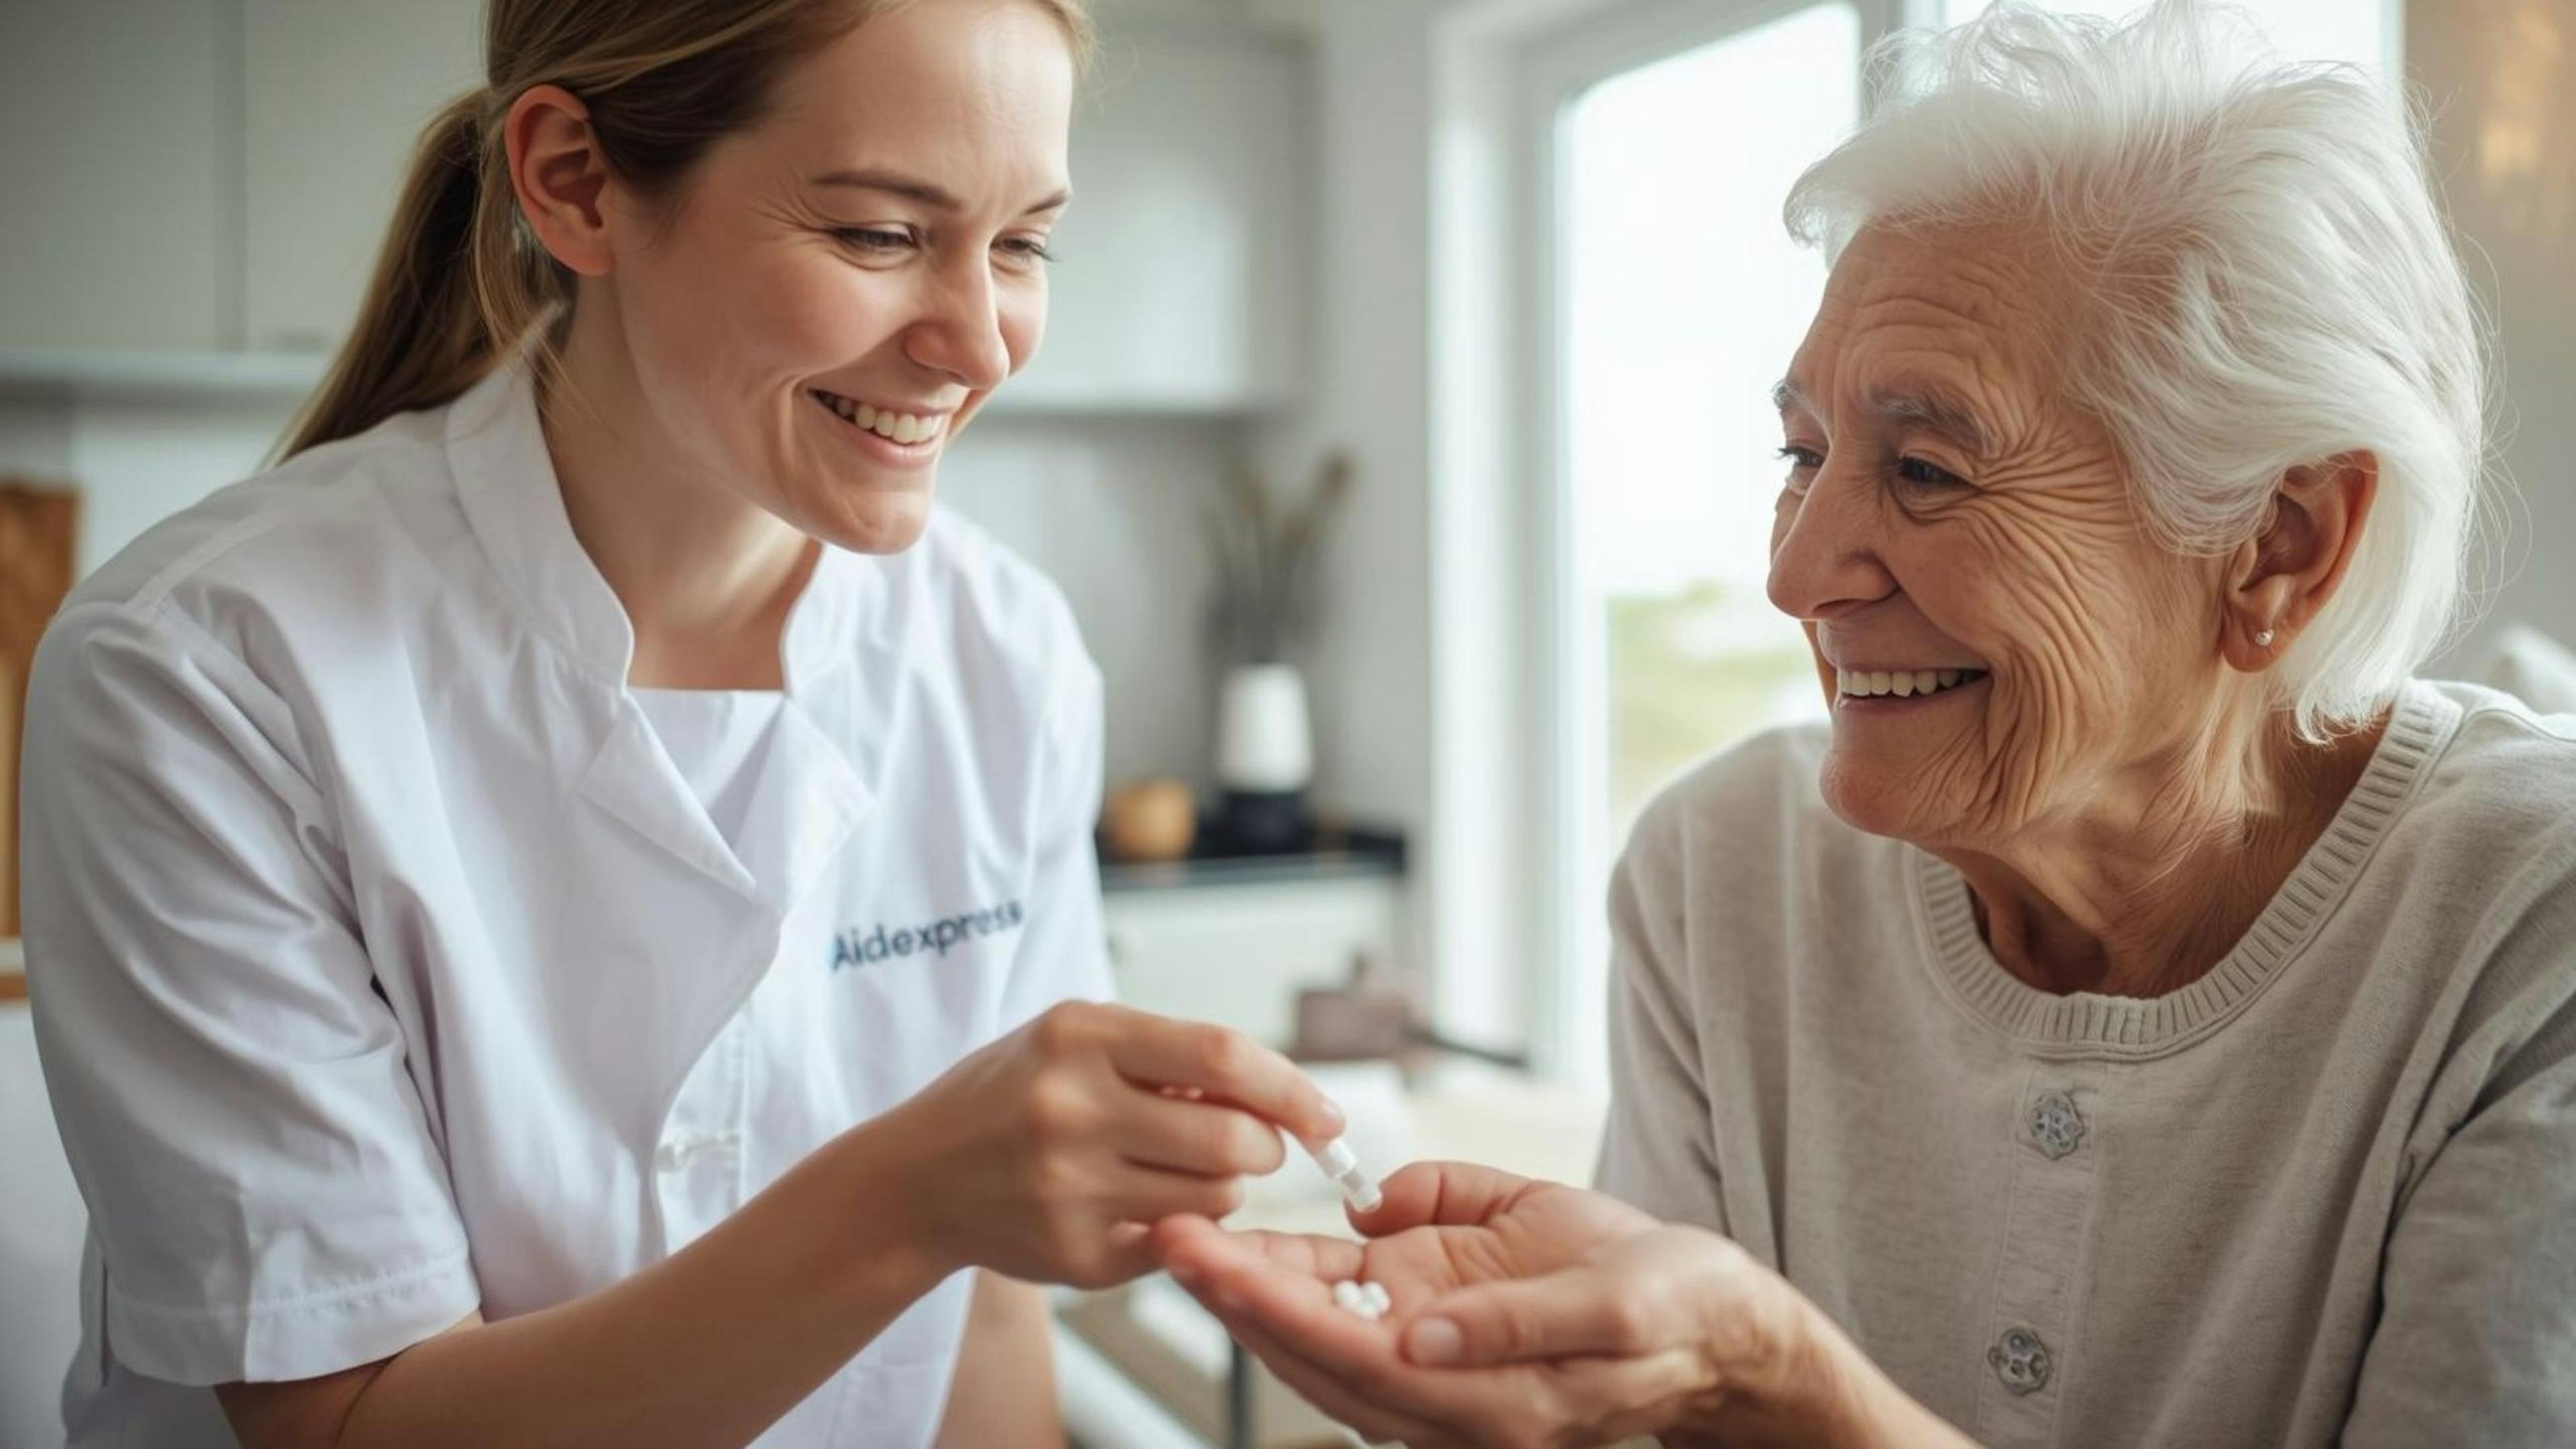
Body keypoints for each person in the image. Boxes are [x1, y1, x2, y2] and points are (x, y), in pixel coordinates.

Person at [1155, 3, 2576, 1445]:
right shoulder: (1725, 877)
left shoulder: (2531, 932)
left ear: (2278, 542)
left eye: (1927, 468)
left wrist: (1784, 1394)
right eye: (1804, 453)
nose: (1794, 575)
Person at [19, 1, 1345, 1445]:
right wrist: (911, 1195)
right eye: (880, 236)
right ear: (575, 183)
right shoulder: (207, 673)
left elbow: (989, 1314)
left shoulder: (1006, 655)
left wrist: (968, 1210)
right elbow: (345, 1423)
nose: (980, 343)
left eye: (1023, 243)